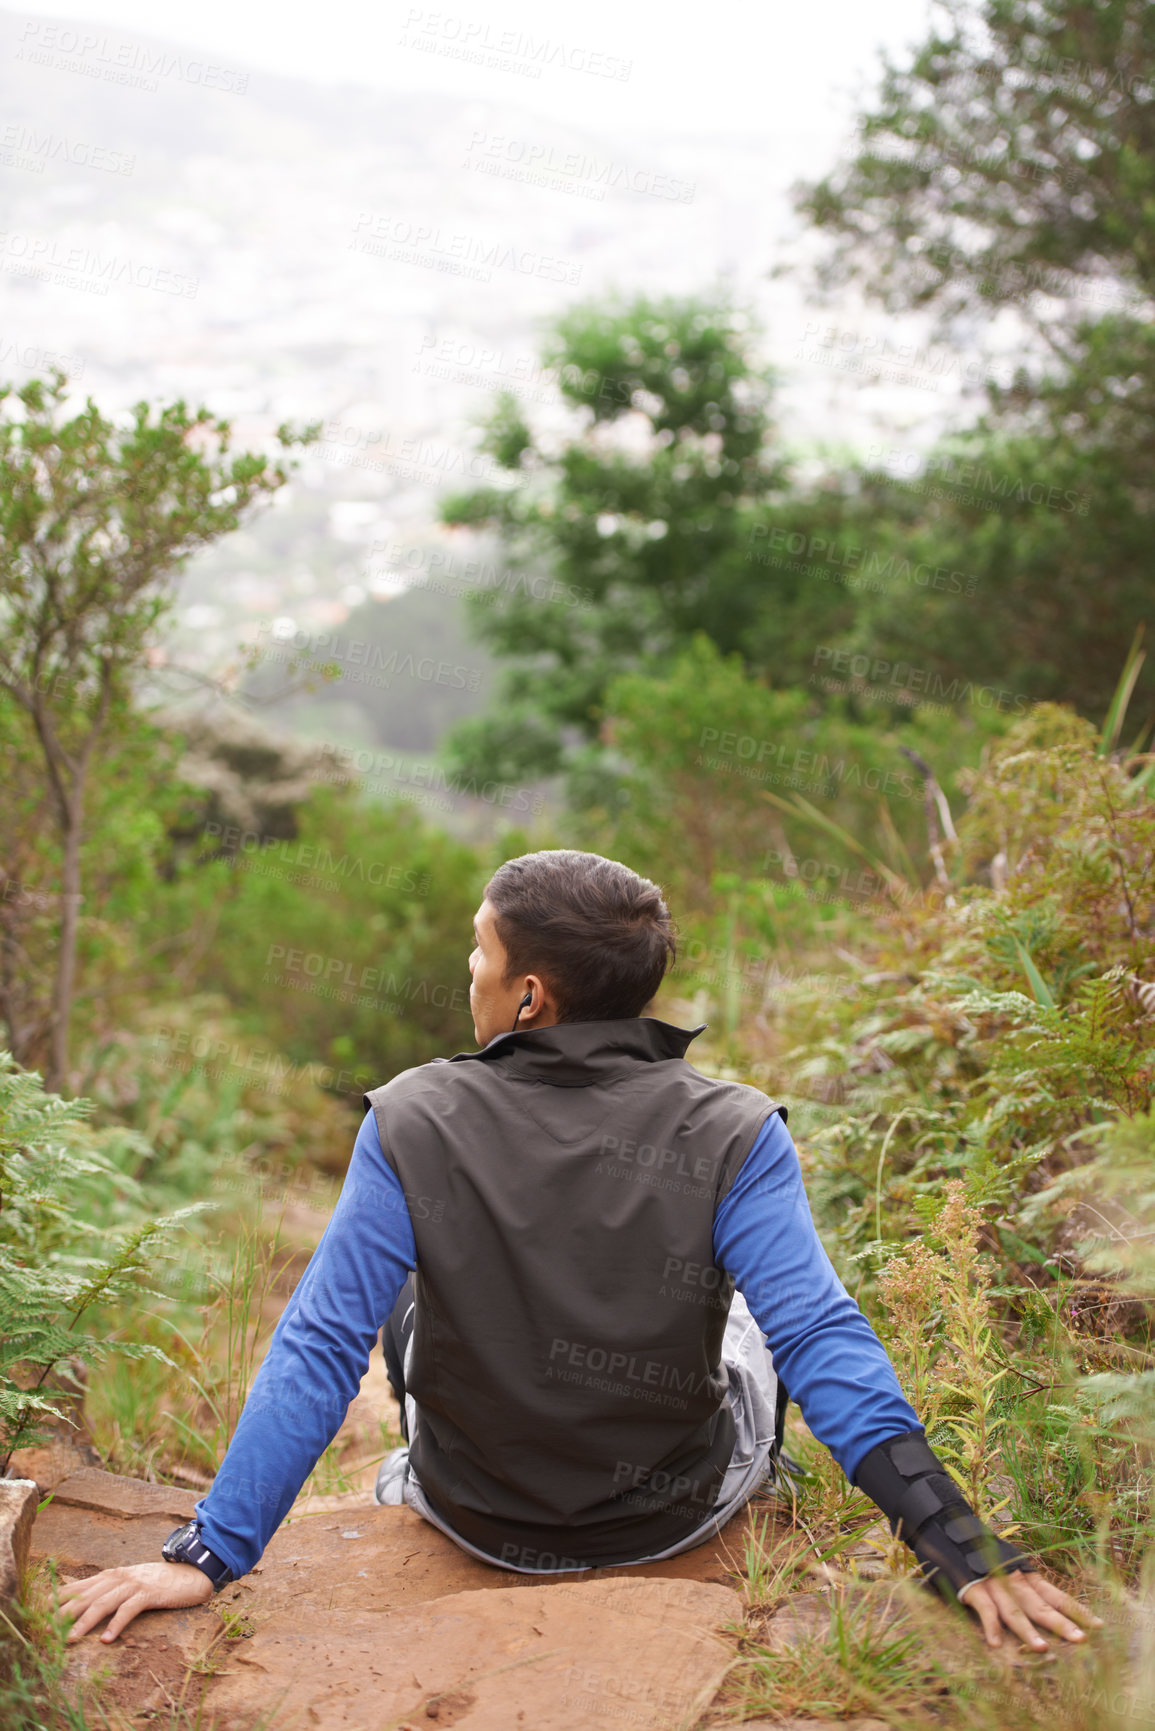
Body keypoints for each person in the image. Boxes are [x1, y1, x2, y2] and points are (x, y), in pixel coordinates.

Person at [59, 851, 1100, 1654]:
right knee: (765, 1314)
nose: (468, 969)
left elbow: (319, 1347)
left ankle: (410, 1475)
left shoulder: (413, 1119)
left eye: (479, 950)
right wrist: (952, 1541)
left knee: (403, 1286)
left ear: (529, 996)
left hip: (472, 1512)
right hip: (672, 1518)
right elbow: (822, 1339)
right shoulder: (734, 1128)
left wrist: (210, 1551)